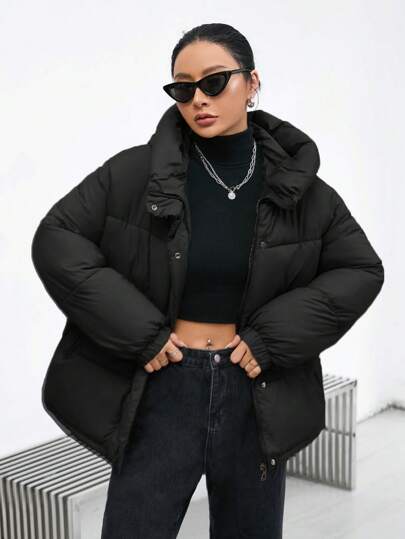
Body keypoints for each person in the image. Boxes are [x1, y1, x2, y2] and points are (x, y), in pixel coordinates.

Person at [31, 23, 384, 539]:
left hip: (255, 393)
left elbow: (361, 269)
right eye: (183, 88)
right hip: (163, 387)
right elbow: (57, 238)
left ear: (252, 82)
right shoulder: (136, 174)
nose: (198, 99)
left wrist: (271, 339)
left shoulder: (303, 191)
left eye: (214, 82)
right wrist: (141, 333)